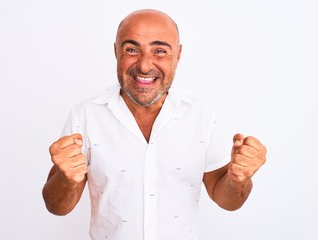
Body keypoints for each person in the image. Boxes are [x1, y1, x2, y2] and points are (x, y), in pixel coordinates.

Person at [42, 9, 267, 239]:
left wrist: (239, 178)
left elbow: (227, 200)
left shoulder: (202, 115)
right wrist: (65, 179)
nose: (145, 66)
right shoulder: (85, 115)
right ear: (116, 52)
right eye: (131, 49)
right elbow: (57, 206)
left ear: (178, 55)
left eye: (159, 51)